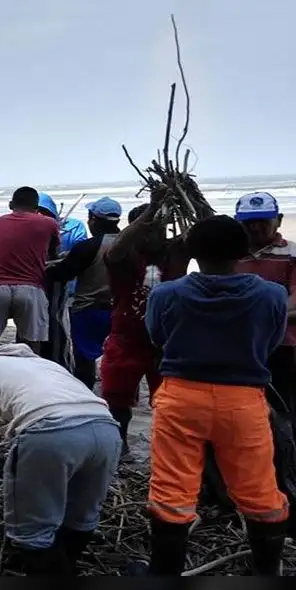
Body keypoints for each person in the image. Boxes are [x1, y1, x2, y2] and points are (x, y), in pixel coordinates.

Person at [130, 215, 289, 576]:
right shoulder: (271, 294)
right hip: (244, 400)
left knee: (172, 490)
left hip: (181, 397)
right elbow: (273, 340)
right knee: (259, 491)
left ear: (191, 251)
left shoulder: (167, 293)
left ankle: (163, 572)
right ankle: (266, 570)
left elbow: (157, 336)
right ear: (244, 250)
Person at [0, 343, 121, 575]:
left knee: (32, 532)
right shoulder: (46, 365)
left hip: (50, 433)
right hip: (107, 430)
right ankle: (67, 564)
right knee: (82, 516)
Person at [101, 188, 189, 459]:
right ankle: (121, 445)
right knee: (117, 397)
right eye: (146, 230)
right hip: (126, 338)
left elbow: (207, 233)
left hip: (168, 342)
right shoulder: (124, 256)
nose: (153, 234)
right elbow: (118, 247)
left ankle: (167, 450)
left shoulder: (176, 252)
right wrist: (151, 211)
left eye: (159, 229)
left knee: (170, 402)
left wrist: (180, 203)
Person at [0, 187, 59, 355]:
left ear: (11, 204)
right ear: (36, 207)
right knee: (32, 345)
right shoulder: (49, 223)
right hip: (30, 288)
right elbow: (53, 252)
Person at [45, 197, 123, 389]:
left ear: (93, 219)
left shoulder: (89, 247)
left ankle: (86, 392)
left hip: (89, 309)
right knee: (120, 355)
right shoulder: (131, 244)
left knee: (85, 357)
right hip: (122, 308)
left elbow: (62, 274)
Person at [233, 191, 296, 422]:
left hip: (281, 344)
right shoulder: (229, 256)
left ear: (278, 220)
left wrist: (256, 316)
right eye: (249, 222)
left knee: (282, 407)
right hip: (238, 345)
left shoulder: (291, 253)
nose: (255, 228)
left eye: (263, 221)